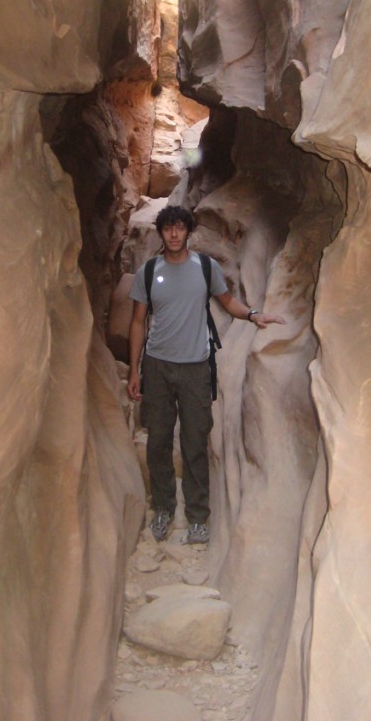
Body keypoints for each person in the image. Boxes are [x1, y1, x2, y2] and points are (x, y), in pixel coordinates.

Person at [127, 205, 285, 545]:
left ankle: (198, 517)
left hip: (196, 367)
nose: (173, 234)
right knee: (157, 441)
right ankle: (165, 510)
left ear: (188, 231)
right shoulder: (149, 271)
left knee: (195, 442)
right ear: (161, 231)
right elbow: (138, 322)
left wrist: (253, 315)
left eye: (179, 228)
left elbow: (228, 303)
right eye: (168, 228)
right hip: (156, 365)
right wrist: (134, 370)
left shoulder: (204, 268)